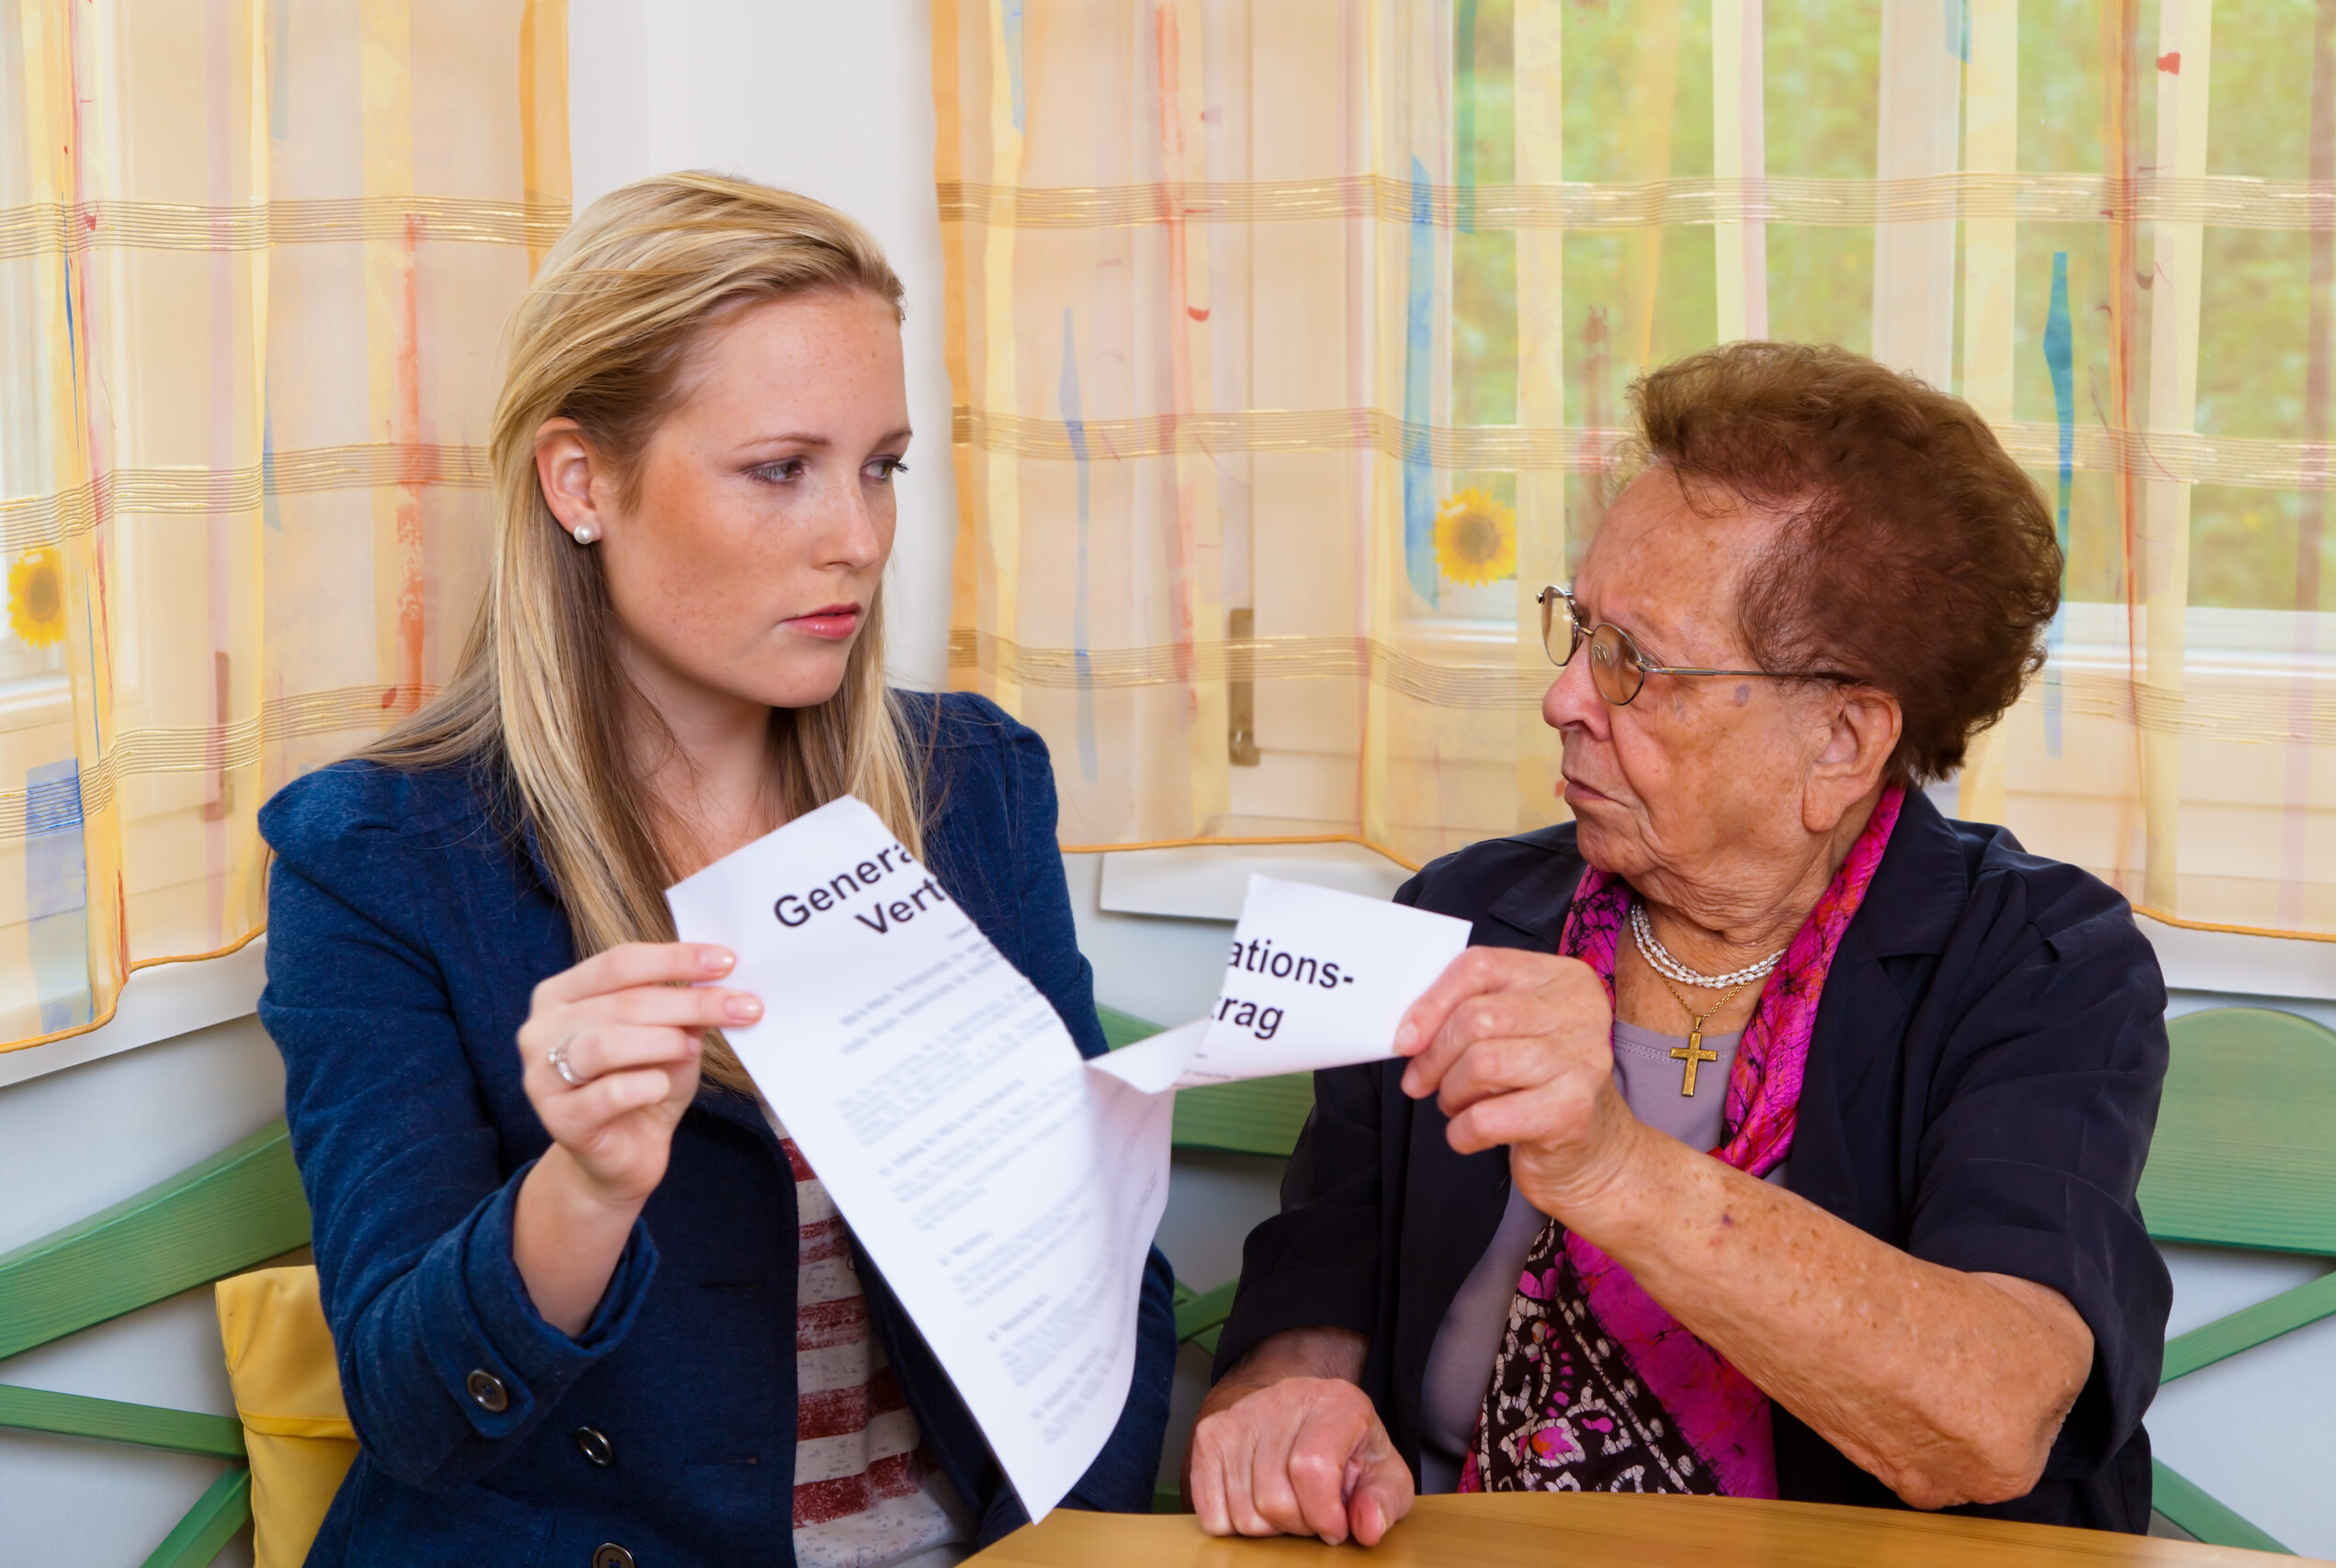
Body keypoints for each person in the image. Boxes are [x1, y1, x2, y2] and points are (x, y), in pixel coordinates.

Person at [257, 173, 1172, 1566]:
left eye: (882, 465)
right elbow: (411, 1412)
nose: (856, 538)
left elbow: (1096, 1265)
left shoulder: (970, 786)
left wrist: (1063, 1545)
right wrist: (585, 1189)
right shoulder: (376, 859)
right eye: (779, 469)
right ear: (582, 483)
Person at [1188, 342, 2170, 1545]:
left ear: (1843, 742)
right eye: (1580, 627)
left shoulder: (2038, 960)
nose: (1564, 699)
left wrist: (1613, 1169)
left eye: (1634, 662)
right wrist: (1295, 1402)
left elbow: (1993, 1414)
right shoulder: (1464, 916)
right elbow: (1318, 1284)